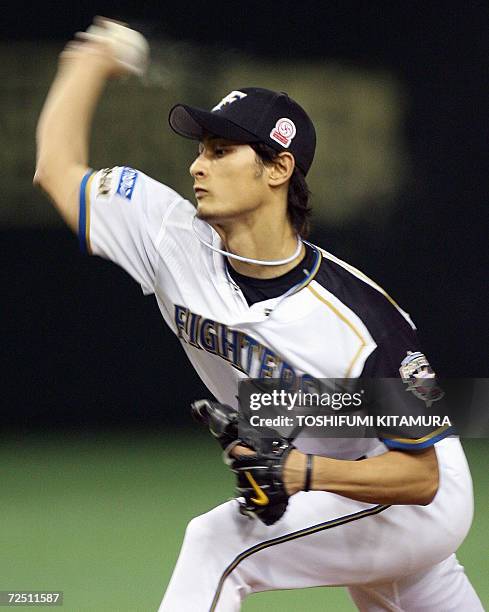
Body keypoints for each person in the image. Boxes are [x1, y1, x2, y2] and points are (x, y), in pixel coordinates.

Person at [35, 19, 483, 612]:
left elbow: (420, 476)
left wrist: (299, 470)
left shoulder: (358, 321)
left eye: (221, 152)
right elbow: (56, 169)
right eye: (200, 150)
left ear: (278, 169)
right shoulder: (167, 235)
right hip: (341, 482)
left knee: (217, 544)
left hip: (410, 494)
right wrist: (88, 62)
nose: (198, 166)